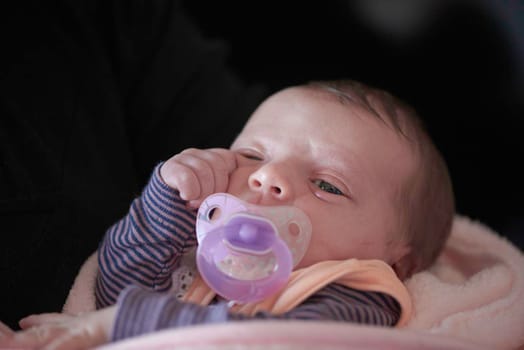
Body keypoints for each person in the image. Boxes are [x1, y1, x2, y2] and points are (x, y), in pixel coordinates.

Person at [0, 79, 455, 349]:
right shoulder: (209, 261)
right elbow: (115, 291)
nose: (267, 177)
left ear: (399, 261)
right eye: (253, 155)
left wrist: (115, 326)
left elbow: (267, 342)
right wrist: (170, 200)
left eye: (328, 185)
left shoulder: (360, 291)